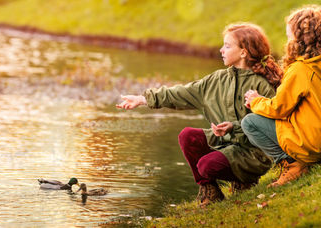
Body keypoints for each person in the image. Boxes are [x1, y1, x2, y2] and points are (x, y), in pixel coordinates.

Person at [117, 23, 283, 206]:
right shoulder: (217, 79)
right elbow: (180, 93)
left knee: (206, 165)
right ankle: (210, 191)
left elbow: (270, 126)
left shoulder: (262, 86)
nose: (221, 50)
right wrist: (142, 99)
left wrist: (232, 127)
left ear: (243, 52)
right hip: (224, 143)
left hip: (253, 154)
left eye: (227, 46)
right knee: (187, 135)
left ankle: (245, 181)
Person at [242, 6, 321, 188]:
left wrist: (256, 100)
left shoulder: (300, 69)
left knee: (250, 123)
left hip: (312, 146)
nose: (287, 42)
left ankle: (294, 165)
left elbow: (279, 108)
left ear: (299, 40)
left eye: (289, 37)